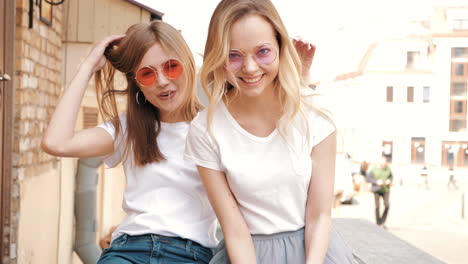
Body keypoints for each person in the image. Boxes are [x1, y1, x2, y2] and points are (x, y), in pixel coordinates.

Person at [185, 0, 354, 263]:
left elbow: (319, 217)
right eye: (233, 55)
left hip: (316, 253)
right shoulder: (205, 128)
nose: (250, 68)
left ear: (281, 48)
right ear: (218, 58)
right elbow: (235, 229)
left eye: (263, 52)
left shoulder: (315, 115)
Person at [41, 20, 217, 264]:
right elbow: (56, 143)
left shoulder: (214, 129)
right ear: (137, 84)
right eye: (147, 73)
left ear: (188, 64)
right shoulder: (127, 129)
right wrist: (88, 66)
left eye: (171, 67)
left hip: (189, 254)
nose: (162, 81)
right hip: (127, 251)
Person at [366, 157, 393, 228]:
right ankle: (378, 222)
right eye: (382, 164)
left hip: (385, 189)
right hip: (376, 189)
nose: (383, 165)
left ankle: (383, 220)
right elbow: (368, 178)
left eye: (384, 164)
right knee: (377, 206)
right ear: (379, 164)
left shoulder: (388, 169)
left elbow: (391, 176)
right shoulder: (373, 170)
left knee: (387, 205)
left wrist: (389, 180)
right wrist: (376, 182)